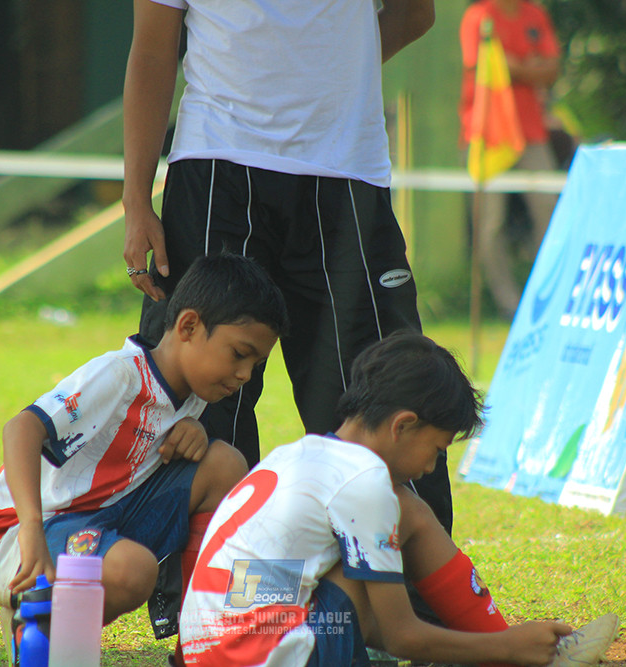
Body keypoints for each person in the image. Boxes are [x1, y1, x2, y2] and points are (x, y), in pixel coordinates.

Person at [122, 0, 456, 538]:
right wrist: (135, 201)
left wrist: (332, 80)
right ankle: (208, 597)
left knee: (384, 391)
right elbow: (153, 49)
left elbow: (415, 13)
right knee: (197, 395)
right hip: (217, 170)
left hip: (345, 171)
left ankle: (420, 599)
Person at [179, 332, 619, 666]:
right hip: (257, 652)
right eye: (437, 448)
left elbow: (344, 611)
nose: (430, 467)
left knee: (359, 565)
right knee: (406, 516)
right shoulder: (365, 481)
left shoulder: (297, 455)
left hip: (211, 652)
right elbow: (403, 637)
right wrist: (506, 646)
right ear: (403, 425)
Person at [0, 254, 290, 643]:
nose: (244, 374)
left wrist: (197, 432)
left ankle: (201, 637)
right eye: (239, 354)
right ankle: (38, 626)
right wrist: (31, 529)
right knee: (133, 570)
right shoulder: (119, 375)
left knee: (225, 464)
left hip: (105, 519)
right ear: (188, 325)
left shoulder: (193, 396)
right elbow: (21, 428)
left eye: (256, 364)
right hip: (19, 535)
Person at [459, 0, 562, 319]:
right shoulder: (479, 17)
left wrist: (516, 66)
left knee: (550, 213)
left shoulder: (535, 14)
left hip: (531, 132)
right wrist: (529, 67)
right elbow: (487, 67)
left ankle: (548, 295)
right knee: (491, 224)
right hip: (489, 134)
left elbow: (553, 68)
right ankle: (509, 304)